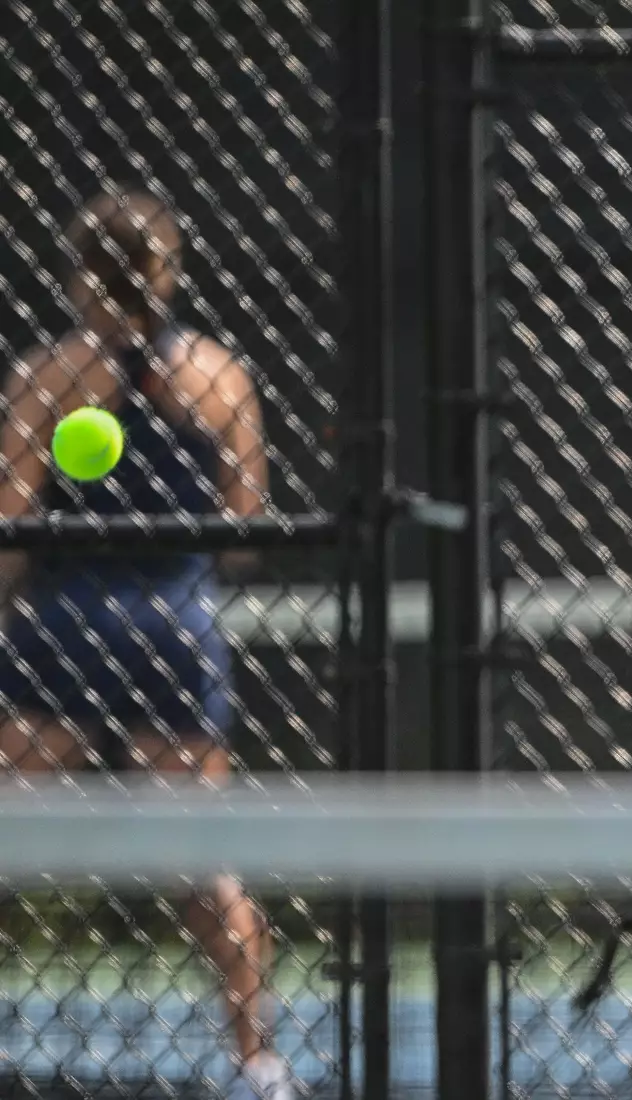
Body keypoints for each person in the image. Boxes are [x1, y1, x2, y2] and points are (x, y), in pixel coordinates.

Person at [0, 187, 292, 1100]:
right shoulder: (221, 373)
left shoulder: (49, 373)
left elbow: (9, 519)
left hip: (62, 622)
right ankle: (256, 1066)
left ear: (79, 276)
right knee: (204, 860)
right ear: (167, 272)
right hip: (173, 622)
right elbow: (245, 524)